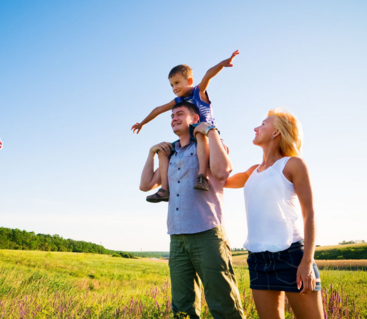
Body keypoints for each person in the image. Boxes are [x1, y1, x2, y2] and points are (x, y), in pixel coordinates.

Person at [139, 101, 245, 319]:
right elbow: (146, 184)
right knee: (182, 307)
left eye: (179, 113)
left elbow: (223, 171)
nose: (174, 118)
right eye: (171, 116)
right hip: (177, 238)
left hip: (207, 233)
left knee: (223, 303)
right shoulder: (171, 154)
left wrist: (211, 131)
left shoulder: (208, 144)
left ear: (195, 119)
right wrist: (151, 153)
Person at [225, 109, 323, 319]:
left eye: (262, 124)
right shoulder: (252, 171)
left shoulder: (293, 164)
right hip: (258, 259)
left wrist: (307, 261)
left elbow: (310, 213)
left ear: (277, 132)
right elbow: (219, 180)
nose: (256, 128)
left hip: (292, 255)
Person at [132, 50, 239, 202]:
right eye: (171, 85)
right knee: (163, 151)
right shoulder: (178, 101)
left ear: (189, 81)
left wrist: (223, 63)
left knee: (199, 132)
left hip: (205, 132)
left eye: (177, 83)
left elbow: (208, 75)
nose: (174, 88)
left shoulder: (198, 92)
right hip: (189, 137)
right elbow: (158, 109)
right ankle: (165, 189)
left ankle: (202, 175)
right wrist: (142, 123)